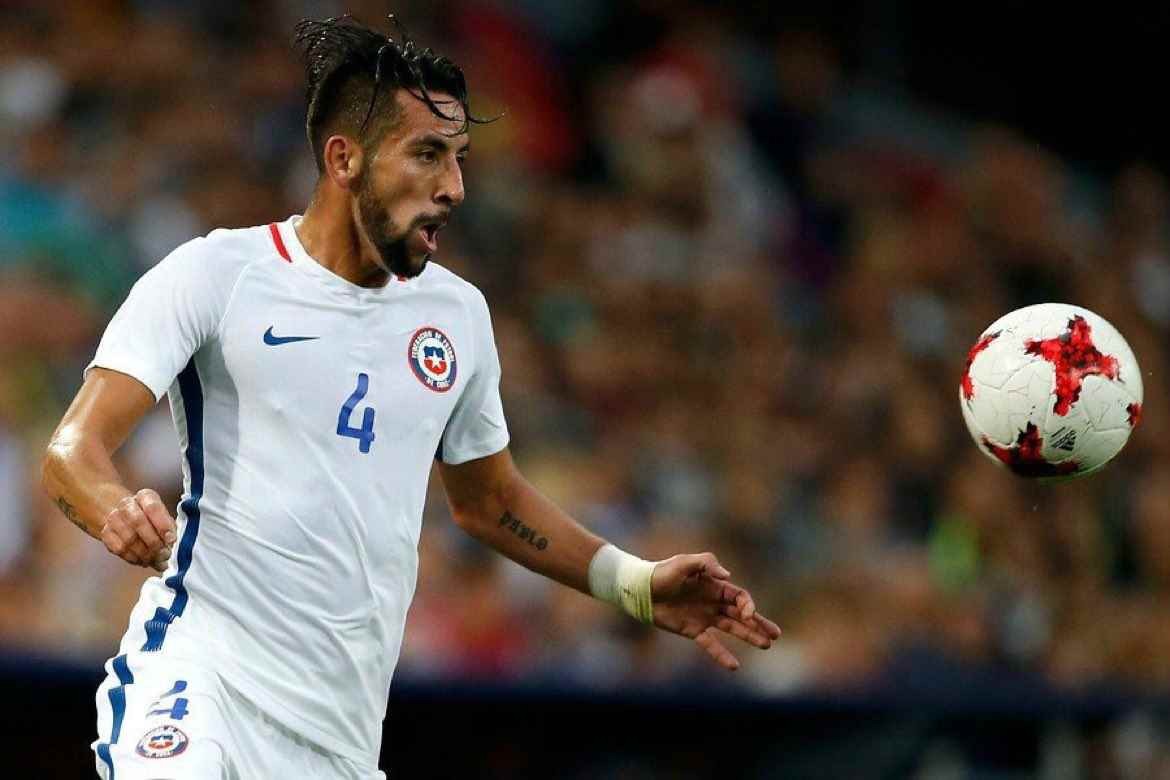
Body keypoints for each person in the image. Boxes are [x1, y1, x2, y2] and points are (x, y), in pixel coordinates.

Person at [41, 16, 781, 779]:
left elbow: (490, 502)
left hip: (339, 737)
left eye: (459, 160)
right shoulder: (217, 275)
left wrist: (635, 585)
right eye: (427, 154)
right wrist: (115, 508)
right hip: (199, 678)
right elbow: (73, 450)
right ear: (345, 159)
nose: (453, 187)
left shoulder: (456, 317)